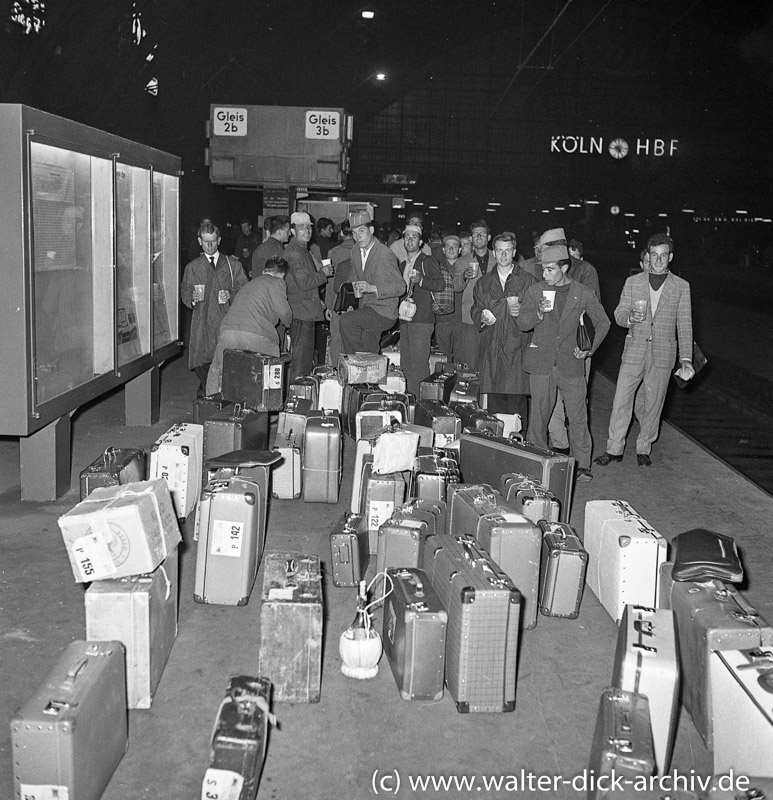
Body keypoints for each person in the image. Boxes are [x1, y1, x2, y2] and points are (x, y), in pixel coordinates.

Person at [595, 233, 694, 467]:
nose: (658, 260)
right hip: (634, 350)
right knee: (621, 400)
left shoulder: (681, 287)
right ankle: (614, 448)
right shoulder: (633, 282)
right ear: (647, 256)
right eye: (654, 255)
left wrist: (686, 358)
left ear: (670, 257)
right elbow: (618, 314)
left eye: (663, 256)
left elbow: (685, 324)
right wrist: (629, 317)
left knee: (653, 403)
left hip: (663, 353)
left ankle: (644, 448)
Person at [517, 242, 610, 481]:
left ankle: (582, 465)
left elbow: (603, 322)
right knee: (538, 415)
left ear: (565, 267)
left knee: (578, 416)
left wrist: (589, 350)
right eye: (543, 269)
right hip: (541, 363)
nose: (544, 274)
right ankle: (536, 460)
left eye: (550, 269)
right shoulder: (535, 291)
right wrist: (537, 313)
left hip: (571, 363)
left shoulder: (582, 292)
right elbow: (522, 323)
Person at [535, 229, 601, 453]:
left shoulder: (585, 271)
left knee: (576, 405)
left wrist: (587, 349)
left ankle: (581, 459)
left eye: (545, 248)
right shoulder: (544, 269)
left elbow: (593, 314)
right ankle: (561, 447)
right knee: (551, 406)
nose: (541, 253)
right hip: (549, 351)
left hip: (576, 348)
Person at [471, 231, 536, 421]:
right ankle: (497, 446)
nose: (504, 255)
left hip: (517, 350)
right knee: (495, 406)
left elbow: (537, 315)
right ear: (493, 252)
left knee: (517, 406)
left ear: (514, 252)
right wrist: (481, 316)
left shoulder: (528, 281)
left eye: (508, 250)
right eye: (500, 251)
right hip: (492, 351)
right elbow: (475, 309)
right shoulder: (483, 283)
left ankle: (516, 444)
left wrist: (523, 312)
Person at [205, 256, 293, 395]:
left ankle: (211, 404)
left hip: (229, 332)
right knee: (270, 371)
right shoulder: (277, 282)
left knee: (217, 369)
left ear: (265, 270)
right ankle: (267, 412)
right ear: (282, 274)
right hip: (256, 334)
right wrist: (289, 322)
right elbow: (284, 311)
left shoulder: (249, 284)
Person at [181, 221, 248, 396]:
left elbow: (244, 288)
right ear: (199, 241)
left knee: (225, 360)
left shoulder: (232, 265)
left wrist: (230, 294)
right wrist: (191, 299)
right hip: (202, 324)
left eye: (213, 241)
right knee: (202, 362)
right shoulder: (193, 268)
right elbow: (185, 290)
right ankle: (207, 391)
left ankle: (215, 394)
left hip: (225, 323)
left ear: (219, 240)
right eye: (205, 241)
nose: (209, 246)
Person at [336, 210, 405, 355]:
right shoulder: (355, 251)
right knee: (369, 346)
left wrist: (372, 288)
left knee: (346, 321)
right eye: (354, 233)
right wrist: (350, 303)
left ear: (371, 230)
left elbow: (400, 287)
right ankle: (368, 369)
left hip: (384, 311)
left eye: (361, 231)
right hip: (366, 308)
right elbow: (353, 278)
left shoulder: (385, 255)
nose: (357, 236)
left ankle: (356, 362)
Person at [284, 211, 333, 380]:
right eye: (302, 227)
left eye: (309, 227)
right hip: (301, 313)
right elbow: (304, 283)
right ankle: (296, 398)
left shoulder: (301, 249)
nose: (307, 231)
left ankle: (298, 396)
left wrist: (316, 300)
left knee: (303, 358)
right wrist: (323, 273)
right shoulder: (295, 253)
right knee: (301, 360)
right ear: (292, 231)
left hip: (304, 310)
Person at [397, 224, 445, 395]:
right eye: (407, 237)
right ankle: (410, 400)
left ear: (421, 242)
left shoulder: (427, 261)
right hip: (405, 319)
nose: (410, 240)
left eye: (414, 237)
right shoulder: (402, 265)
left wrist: (422, 279)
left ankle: (421, 403)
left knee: (418, 365)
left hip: (422, 320)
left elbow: (440, 284)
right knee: (406, 364)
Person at [453, 218, 497, 369]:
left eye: (482, 234)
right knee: (472, 362)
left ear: (489, 238)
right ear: (471, 239)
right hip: (470, 318)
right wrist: (464, 276)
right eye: (475, 234)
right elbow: (457, 287)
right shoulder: (462, 261)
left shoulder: (498, 258)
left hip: (494, 317)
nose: (478, 236)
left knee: (492, 362)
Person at [327, 220, 355, 366]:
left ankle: (336, 372)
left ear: (342, 233)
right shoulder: (362, 251)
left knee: (337, 338)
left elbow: (331, 282)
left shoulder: (333, 253)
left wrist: (329, 306)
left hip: (339, 301)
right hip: (358, 301)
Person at [434, 233, 462, 364]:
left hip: (462, 320)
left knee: (461, 358)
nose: (451, 249)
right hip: (442, 320)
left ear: (460, 250)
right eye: (448, 246)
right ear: (443, 250)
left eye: (455, 246)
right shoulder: (435, 269)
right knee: (443, 358)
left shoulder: (465, 268)